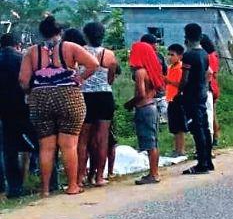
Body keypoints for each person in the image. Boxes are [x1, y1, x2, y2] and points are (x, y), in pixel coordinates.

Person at [19, 16, 99, 196]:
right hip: (68, 96)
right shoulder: (70, 47)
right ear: (60, 32)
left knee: (46, 146)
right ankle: (72, 186)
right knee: (69, 145)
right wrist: (80, 78)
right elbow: (93, 64)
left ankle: (45, 189)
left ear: (41, 33)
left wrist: (32, 92)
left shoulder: (32, 52)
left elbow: (23, 80)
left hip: (40, 98)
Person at [78, 22, 117, 186]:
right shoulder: (109, 54)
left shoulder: (80, 52)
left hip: (85, 97)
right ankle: (99, 177)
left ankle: (79, 178)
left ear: (85, 35)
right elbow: (111, 79)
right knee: (102, 139)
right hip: (105, 96)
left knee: (83, 140)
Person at [1, 33, 34, 198]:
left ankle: (14, 188)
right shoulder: (22, 59)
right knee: (40, 144)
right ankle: (49, 182)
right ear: (17, 45)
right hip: (25, 108)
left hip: (4, 112)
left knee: (9, 151)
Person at [126, 41, 162, 185]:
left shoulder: (141, 72)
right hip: (152, 106)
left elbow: (141, 94)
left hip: (144, 108)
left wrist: (130, 103)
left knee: (150, 142)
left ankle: (153, 174)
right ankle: (154, 172)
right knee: (153, 141)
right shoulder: (152, 70)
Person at [180, 23, 214, 175]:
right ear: (200, 37)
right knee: (205, 127)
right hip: (202, 93)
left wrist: (179, 91)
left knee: (197, 129)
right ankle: (208, 161)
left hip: (191, 95)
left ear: (186, 37)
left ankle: (202, 164)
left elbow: (185, 79)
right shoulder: (205, 54)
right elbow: (208, 74)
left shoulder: (188, 55)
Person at [164, 44, 188, 157]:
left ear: (179, 56)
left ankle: (181, 149)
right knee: (174, 127)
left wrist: (168, 81)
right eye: (169, 54)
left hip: (178, 99)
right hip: (170, 98)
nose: (170, 57)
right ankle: (176, 149)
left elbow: (181, 84)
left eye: (172, 55)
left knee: (180, 127)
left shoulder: (181, 68)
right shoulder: (170, 68)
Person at [201, 36, 221, 147]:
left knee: (209, 114)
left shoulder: (205, 56)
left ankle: (212, 137)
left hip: (208, 86)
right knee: (212, 113)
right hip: (214, 85)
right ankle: (216, 136)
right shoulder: (213, 55)